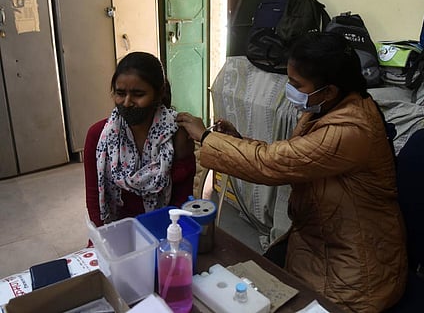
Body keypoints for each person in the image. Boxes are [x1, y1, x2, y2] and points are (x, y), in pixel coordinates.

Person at [176, 32, 407, 312]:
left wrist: (206, 138)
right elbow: (292, 154)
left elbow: (273, 164)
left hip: (355, 267)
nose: (290, 89)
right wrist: (234, 140)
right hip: (316, 239)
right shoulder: (329, 107)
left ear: (329, 90)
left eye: (296, 84)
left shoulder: (351, 129)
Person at [84, 51, 196, 230]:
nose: (127, 102)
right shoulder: (99, 136)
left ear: (159, 94)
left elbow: (182, 201)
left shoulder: (177, 135)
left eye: (138, 94)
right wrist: (104, 240)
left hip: (165, 231)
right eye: (120, 93)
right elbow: (94, 199)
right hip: (115, 232)